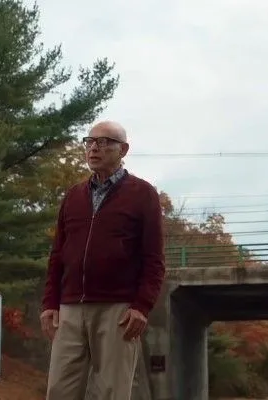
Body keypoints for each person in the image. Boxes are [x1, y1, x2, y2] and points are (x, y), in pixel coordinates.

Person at [40, 121, 166, 400]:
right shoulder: (73, 196)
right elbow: (58, 254)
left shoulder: (143, 194)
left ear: (123, 150)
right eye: (90, 141)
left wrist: (142, 306)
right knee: (59, 391)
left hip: (118, 311)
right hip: (70, 308)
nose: (94, 148)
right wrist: (50, 303)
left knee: (111, 392)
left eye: (104, 142)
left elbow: (154, 258)